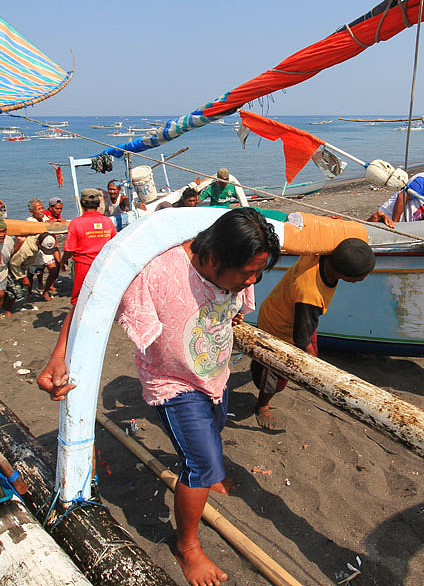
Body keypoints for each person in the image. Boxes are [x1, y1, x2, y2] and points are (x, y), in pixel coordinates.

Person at [37, 208, 280, 586]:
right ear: (213, 258)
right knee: (199, 465)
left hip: (214, 375)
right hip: (172, 383)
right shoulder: (154, 271)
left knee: (210, 445)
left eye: (256, 273)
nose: (252, 281)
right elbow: (88, 303)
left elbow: (229, 304)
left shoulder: (238, 266)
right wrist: (57, 358)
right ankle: (188, 547)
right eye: (247, 273)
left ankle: (206, 475)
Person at [252, 238, 375, 431]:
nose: (365, 278)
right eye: (362, 276)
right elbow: (301, 341)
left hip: (294, 313)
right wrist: (316, 368)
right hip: (279, 329)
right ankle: (262, 405)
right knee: (275, 377)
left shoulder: (319, 251)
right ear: (346, 277)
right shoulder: (310, 295)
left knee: (312, 352)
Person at [60, 189, 117, 304]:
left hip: (83, 266)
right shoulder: (107, 222)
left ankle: (76, 322)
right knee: (102, 298)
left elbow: (69, 249)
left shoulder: (76, 223)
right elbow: (114, 245)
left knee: (80, 300)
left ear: (81, 203)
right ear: (98, 204)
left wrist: (63, 260)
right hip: (103, 266)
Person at [26, 197, 63, 300]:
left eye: (42, 208)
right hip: (35, 251)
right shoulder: (30, 221)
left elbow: (51, 222)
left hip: (46, 251)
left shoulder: (44, 218)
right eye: (38, 209)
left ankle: (45, 291)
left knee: (54, 270)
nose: (41, 210)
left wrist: (59, 221)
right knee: (32, 273)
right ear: (31, 212)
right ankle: (29, 292)